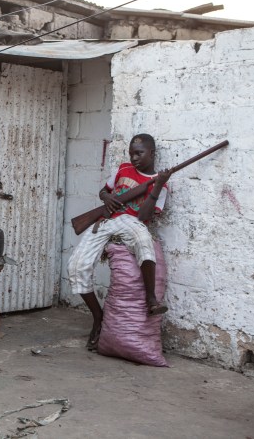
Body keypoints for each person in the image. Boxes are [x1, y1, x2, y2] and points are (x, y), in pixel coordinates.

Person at [67, 133, 171, 351]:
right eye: (131, 153)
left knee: (144, 241)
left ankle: (151, 300)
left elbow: (143, 217)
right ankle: (98, 318)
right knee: (76, 267)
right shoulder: (123, 169)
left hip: (131, 222)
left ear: (152, 153)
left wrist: (158, 185)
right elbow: (103, 190)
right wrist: (108, 198)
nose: (134, 158)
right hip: (105, 221)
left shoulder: (161, 186)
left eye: (139, 153)